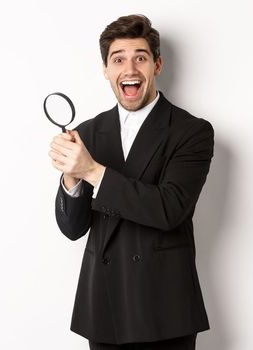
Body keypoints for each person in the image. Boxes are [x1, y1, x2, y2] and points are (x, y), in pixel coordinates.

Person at [49, 14, 212, 350]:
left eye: (140, 57)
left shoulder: (191, 131)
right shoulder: (89, 132)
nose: (130, 69)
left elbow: (169, 209)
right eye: (118, 59)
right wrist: (71, 175)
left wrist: (92, 171)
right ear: (106, 69)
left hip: (165, 310)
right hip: (104, 308)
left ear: (157, 65)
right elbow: (72, 228)